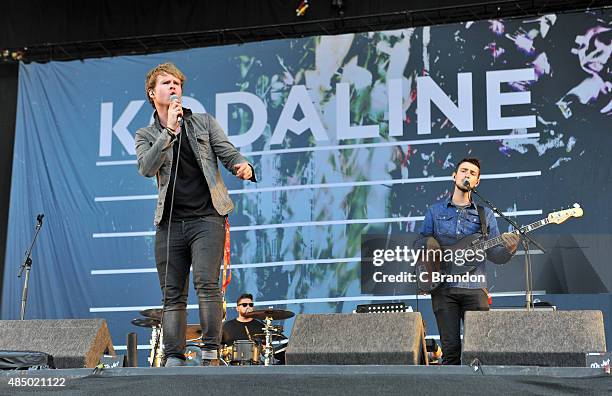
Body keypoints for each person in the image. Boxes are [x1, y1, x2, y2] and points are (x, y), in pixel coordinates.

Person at [135, 63, 256, 367]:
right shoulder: (146, 134)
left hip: (207, 217)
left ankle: (211, 351)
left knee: (206, 282)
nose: (173, 87)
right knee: (172, 292)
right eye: (166, 83)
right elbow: (146, 167)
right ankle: (174, 355)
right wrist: (169, 133)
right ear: (153, 93)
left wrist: (244, 166)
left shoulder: (203, 122)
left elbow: (228, 153)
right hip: (170, 222)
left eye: (177, 83)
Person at [418, 157, 519, 365]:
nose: (467, 175)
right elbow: (422, 247)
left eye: (473, 174)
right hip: (444, 289)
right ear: (454, 176)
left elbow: (494, 254)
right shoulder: (434, 212)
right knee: (451, 351)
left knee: (479, 352)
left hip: (475, 289)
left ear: (477, 183)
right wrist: (427, 274)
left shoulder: (486, 215)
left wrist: (509, 249)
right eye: (464, 171)